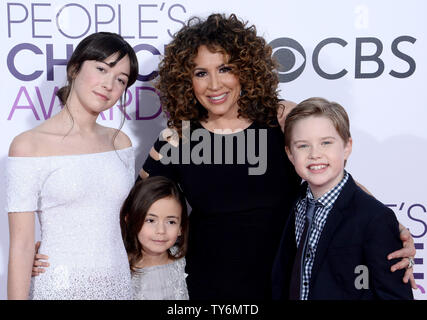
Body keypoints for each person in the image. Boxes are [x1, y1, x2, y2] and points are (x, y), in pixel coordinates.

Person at [138, 13, 416, 299]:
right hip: (209, 288)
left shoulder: (281, 118)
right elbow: (139, 210)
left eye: (225, 69)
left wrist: (393, 228)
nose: (214, 85)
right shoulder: (178, 138)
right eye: (200, 73)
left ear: (245, 69)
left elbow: (338, 184)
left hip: (286, 283)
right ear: (186, 80)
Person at [6, 32, 138, 299]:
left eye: (120, 80)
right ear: (75, 68)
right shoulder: (28, 146)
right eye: (101, 69)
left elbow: (124, 222)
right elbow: (21, 246)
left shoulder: (120, 143)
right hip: (60, 287)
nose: (108, 84)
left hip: (119, 285)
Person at [272, 97, 414, 300]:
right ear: (290, 154)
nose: (315, 154)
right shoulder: (296, 203)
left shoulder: (374, 218)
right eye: (303, 146)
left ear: (347, 147)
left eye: (326, 143)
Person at [120, 176, 189, 300]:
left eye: (171, 222)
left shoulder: (184, 262)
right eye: (151, 220)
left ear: (181, 227)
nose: (161, 231)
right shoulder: (121, 269)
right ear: (130, 221)